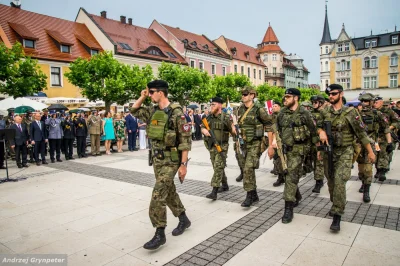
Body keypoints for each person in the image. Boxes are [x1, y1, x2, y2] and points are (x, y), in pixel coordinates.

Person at [131, 80, 192, 250]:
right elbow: (133, 110)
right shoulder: (152, 111)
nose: (149, 94)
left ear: (161, 92)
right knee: (169, 191)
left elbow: (185, 142)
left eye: (151, 92)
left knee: (158, 194)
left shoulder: (177, 113)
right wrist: (142, 97)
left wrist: (183, 165)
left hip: (171, 160)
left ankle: (160, 233)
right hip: (157, 160)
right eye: (148, 92)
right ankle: (183, 219)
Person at [318, 84, 375, 231]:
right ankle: (335, 203)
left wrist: (370, 151)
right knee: (331, 181)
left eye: (334, 94)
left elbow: (361, 134)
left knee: (339, 181)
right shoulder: (325, 112)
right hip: (328, 152)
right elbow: (317, 126)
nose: (331, 96)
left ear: (341, 94)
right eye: (329, 94)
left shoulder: (351, 112)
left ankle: (337, 215)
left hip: (345, 151)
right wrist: (320, 132)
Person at [277, 89, 318, 224]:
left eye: (288, 97)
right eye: (285, 97)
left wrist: (314, 154)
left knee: (290, 177)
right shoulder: (282, 112)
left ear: (296, 98)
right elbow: (275, 128)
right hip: (284, 150)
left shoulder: (304, 113)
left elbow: (313, 133)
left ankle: (288, 208)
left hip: (298, 150)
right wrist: (273, 143)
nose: (285, 99)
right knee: (286, 175)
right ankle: (297, 196)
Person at [237, 87, 274, 207]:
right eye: (242, 94)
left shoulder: (259, 110)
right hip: (244, 143)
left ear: (252, 95)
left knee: (248, 168)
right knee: (247, 168)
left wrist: (270, 146)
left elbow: (269, 126)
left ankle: (249, 196)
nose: (243, 96)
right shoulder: (240, 109)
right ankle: (254, 194)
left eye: (245, 94)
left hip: (256, 143)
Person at [356, 93, 391, 202]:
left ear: (371, 102)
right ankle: (363, 183)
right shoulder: (356, 114)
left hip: (371, 145)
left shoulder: (378, 114)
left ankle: (367, 190)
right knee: (361, 169)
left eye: (366, 101)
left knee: (368, 168)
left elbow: (386, 129)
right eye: (362, 101)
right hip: (358, 145)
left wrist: (389, 143)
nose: (364, 104)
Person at [202, 97, 235, 200]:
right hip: (212, 146)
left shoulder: (226, 117)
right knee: (218, 166)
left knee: (218, 167)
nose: (211, 107)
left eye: (214, 105)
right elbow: (202, 126)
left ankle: (214, 191)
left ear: (220, 105)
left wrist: (235, 128)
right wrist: (204, 131)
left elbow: (233, 131)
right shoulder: (209, 117)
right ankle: (224, 185)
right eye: (211, 105)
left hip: (222, 146)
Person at [373, 97, 399, 178]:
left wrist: (390, 127)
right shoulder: (373, 112)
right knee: (377, 152)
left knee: (384, 153)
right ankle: (378, 169)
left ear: (381, 102)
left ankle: (382, 170)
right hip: (377, 136)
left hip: (387, 135)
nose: (374, 104)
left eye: (376, 102)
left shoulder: (389, 111)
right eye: (374, 102)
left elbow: (397, 121)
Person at [310, 95, 326, 193]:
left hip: (320, 142)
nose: (313, 104)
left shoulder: (325, 114)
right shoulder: (310, 114)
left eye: (315, 102)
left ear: (321, 103)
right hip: (310, 141)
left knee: (319, 162)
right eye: (313, 102)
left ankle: (319, 182)